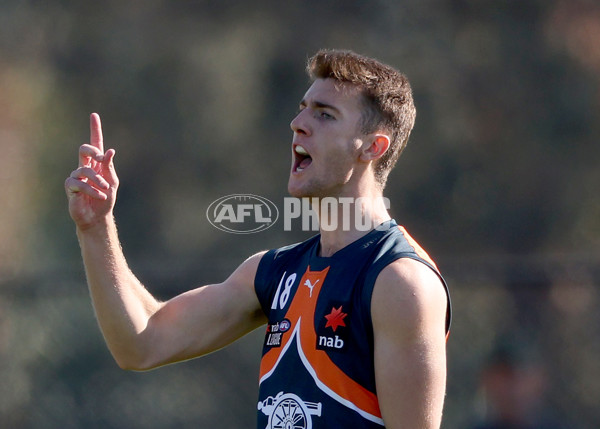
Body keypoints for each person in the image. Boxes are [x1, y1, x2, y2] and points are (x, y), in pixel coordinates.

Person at [65, 49, 451, 429]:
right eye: (302, 108)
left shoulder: (400, 283)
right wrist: (95, 227)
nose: (298, 123)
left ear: (373, 147)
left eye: (324, 114)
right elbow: (142, 342)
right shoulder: (273, 272)